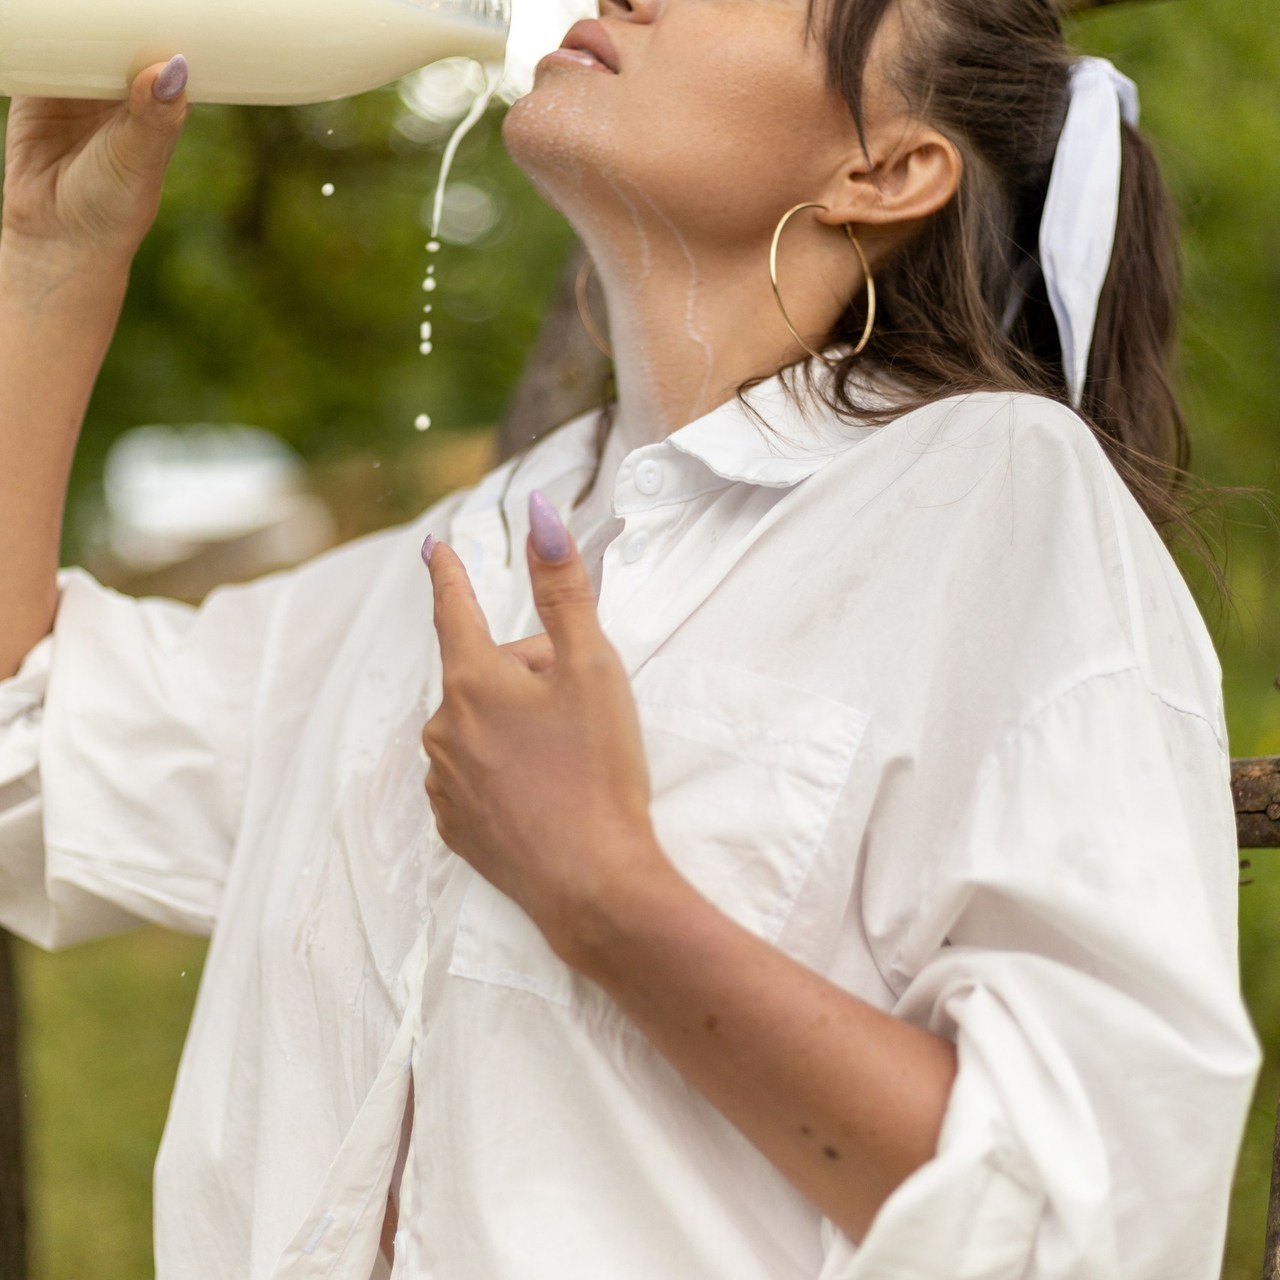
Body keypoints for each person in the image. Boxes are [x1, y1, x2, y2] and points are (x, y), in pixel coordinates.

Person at [0, 0, 1263, 1276]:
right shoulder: (481, 542)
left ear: (882, 170)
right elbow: (29, 764)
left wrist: (599, 884)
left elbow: (1095, 1211)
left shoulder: (994, 498)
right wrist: (49, 267)